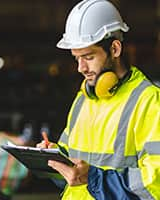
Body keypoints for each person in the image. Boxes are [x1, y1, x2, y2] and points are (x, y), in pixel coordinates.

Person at [37, 0, 160, 199]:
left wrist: (94, 178)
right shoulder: (84, 98)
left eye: (88, 57)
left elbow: (155, 183)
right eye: (77, 58)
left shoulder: (149, 101)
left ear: (115, 49)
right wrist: (54, 156)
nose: (81, 68)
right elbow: (71, 169)